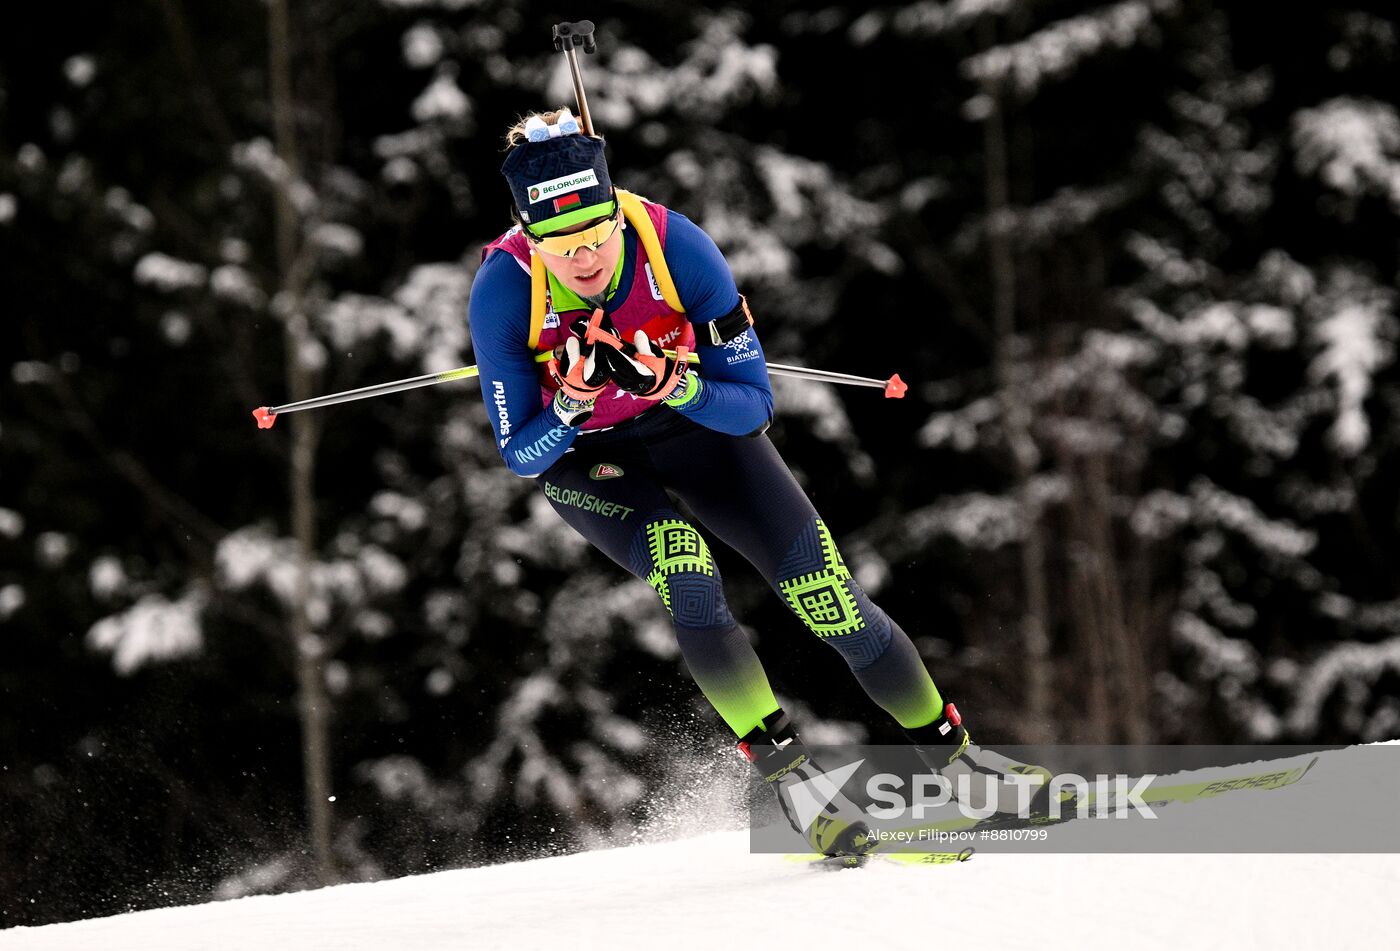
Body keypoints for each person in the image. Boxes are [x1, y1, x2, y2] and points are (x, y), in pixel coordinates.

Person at [468, 109, 1039, 857]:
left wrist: (675, 383)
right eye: (560, 245)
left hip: (703, 435)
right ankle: (793, 781)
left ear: (617, 210)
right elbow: (524, 453)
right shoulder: (504, 292)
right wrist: (572, 406)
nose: (584, 260)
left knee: (827, 597)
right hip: (594, 463)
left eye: (597, 237)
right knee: (683, 564)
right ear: (528, 237)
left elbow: (753, 407)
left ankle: (959, 761)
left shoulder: (677, 249)